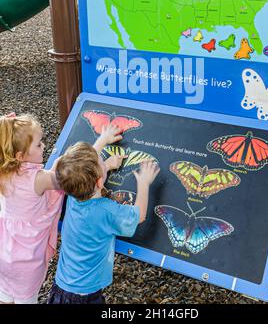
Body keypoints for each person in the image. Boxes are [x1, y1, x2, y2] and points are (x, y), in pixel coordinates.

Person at [0, 112, 122, 305]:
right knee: (26, 299)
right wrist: (102, 142)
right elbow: (75, 173)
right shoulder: (37, 179)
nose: (44, 146)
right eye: (39, 144)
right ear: (20, 155)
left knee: (5, 296)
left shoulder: (4, 172)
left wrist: (106, 164)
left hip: (4, 249)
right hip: (25, 259)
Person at [47, 142, 160, 305]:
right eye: (102, 161)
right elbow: (139, 215)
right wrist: (144, 183)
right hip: (85, 295)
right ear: (99, 182)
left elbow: (80, 174)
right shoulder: (107, 211)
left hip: (61, 285)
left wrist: (106, 163)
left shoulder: (73, 196)